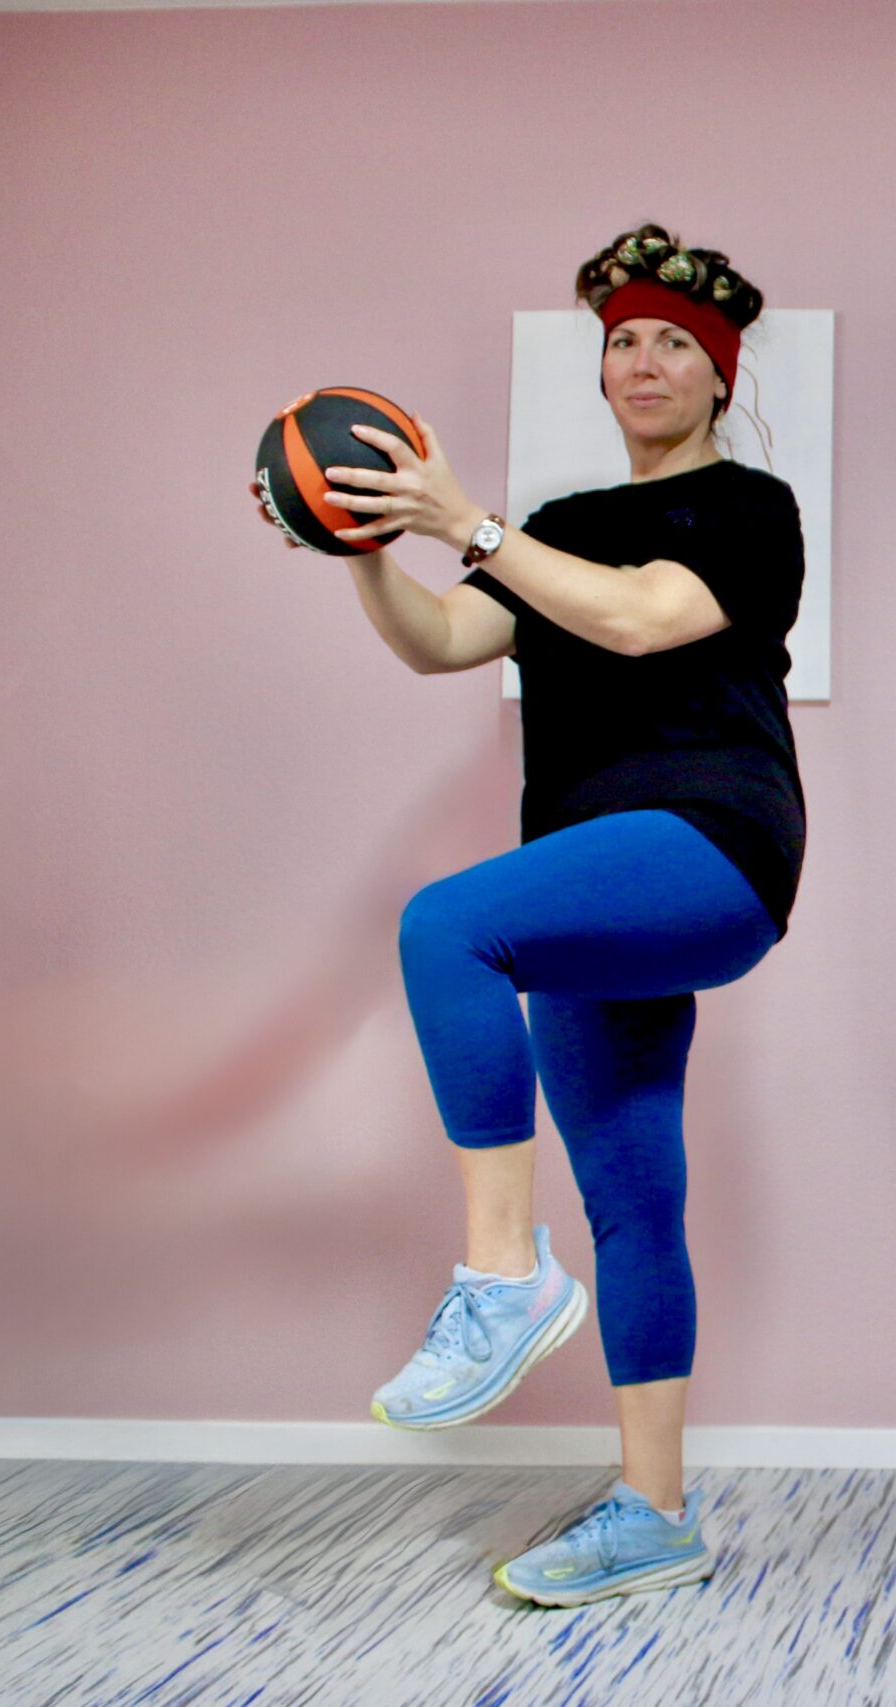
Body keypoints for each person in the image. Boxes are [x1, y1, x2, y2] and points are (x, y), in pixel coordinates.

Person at [281, 224, 805, 1607]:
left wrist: (470, 522)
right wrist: (364, 541)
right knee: (636, 1198)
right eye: (623, 340)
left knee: (442, 925)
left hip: (710, 840)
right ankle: (655, 1510)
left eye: (672, 344)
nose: (641, 360)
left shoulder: (752, 511)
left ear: (718, 376)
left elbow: (639, 621)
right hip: (588, 878)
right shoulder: (560, 524)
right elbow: (445, 640)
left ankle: (502, 1273)